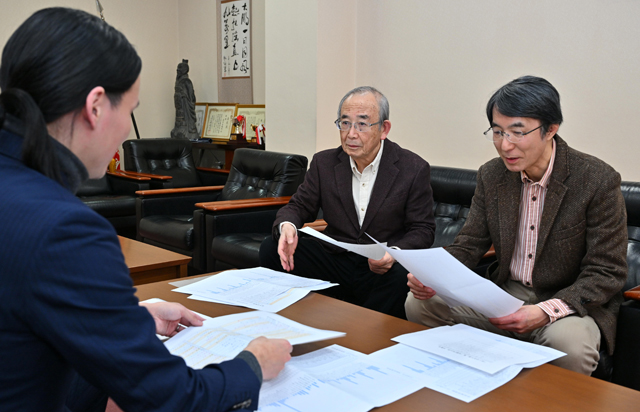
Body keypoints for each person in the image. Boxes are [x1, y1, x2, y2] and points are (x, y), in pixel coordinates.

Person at [0, 8, 290, 412]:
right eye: (131, 110)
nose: (126, 132)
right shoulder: (64, 228)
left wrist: (123, 320)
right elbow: (168, 398)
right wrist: (252, 366)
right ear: (96, 106)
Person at [405, 76, 628, 375]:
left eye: (517, 132)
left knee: (570, 345)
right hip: (504, 295)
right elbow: (470, 243)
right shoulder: (492, 175)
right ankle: (465, 385)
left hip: (567, 304)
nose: (504, 144)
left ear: (551, 129)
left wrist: (544, 311)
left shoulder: (596, 179)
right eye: (497, 132)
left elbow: (607, 271)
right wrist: (433, 275)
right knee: (421, 303)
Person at [260, 86, 436, 319]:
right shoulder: (324, 163)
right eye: (345, 123)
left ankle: (366, 331)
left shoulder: (412, 168)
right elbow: (299, 206)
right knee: (272, 248)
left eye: (362, 124)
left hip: (379, 267)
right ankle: (291, 320)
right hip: (335, 259)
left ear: (384, 129)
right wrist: (288, 228)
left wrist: (392, 254)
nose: (351, 134)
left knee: (401, 275)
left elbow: (423, 229)